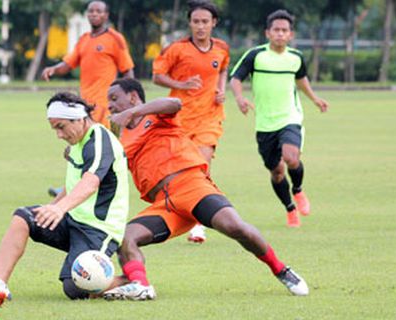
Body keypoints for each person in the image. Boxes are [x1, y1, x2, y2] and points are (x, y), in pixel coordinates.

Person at [102, 78, 309, 301]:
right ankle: (140, 286)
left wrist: (133, 113)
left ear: (133, 97)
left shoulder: (155, 115)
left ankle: (281, 270)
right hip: (165, 204)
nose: (110, 105)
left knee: (235, 227)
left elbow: (174, 103)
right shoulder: (117, 137)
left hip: (192, 186)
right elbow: (99, 164)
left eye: (114, 99)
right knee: (125, 238)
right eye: (108, 101)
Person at [0, 92, 130, 315]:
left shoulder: (100, 140)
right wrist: (53, 206)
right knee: (24, 217)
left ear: (80, 118)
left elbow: (90, 183)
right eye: (54, 128)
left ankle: (129, 281)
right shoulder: (78, 140)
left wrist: (59, 208)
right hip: (73, 218)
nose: (58, 135)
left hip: (99, 229)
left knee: (74, 288)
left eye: (61, 127)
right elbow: (74, 182)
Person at [229, 9, 329, 227]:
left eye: (285, 30)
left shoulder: (296, 58)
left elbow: (301, 80)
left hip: (290, 117)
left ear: (291, 34)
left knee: (291, 157)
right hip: (265, 123)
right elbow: (236, 78)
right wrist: (239, 98)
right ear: (268, 33)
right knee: (276, 172)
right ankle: (290, 208)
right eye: (276, 30)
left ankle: (299, 191)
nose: (280, 34)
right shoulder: (256, 55)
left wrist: (314, 99)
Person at [152, 0, 230, 243]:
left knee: (201, 165)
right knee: (182, 172)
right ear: (190, 23)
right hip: (180, 120)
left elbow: (223, 69)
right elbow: (157, 76)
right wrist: (180, 85)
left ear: (213, 23)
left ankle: (198, 224)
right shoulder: (177, 49)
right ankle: (183, 211)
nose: (200, 26)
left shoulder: (221, 48)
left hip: (209, 118)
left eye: (205, 22)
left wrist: (221, 89)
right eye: (196, 21)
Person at [41, 0, 134, 129]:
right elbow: (67, 65)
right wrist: (53, 69)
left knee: (101, 139)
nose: (94, 14)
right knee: (87, 139)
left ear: (106, 15)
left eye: (98, 11)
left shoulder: (115, 38)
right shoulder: (84, 39)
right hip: (84, 103)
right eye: (91, 11)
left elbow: (127, 70)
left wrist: (128, 98)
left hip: (104, 103)